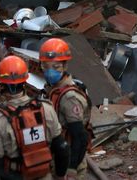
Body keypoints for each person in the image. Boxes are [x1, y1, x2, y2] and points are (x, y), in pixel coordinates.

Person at [0, 56, 68, 180]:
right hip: (44, 175)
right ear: (25, 81)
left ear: (1, 84)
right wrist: (60, 176)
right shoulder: (46, 109)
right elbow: (62, 148)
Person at [40, 39, 93, 177]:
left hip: (69, 160)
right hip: (56, 158)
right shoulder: (52, 90)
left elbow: (80, 137)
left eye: (56, 67)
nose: (50, 71)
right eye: (46, 66)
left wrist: (72, 168)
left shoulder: (69, 97)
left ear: (65, 66)